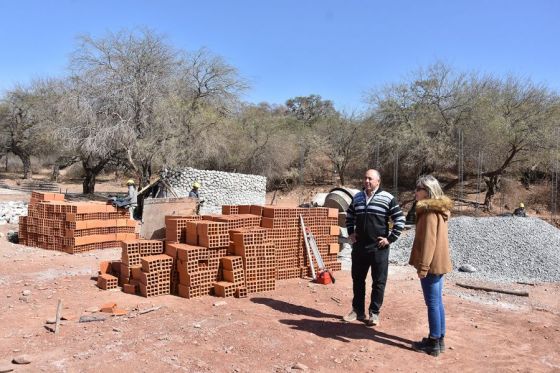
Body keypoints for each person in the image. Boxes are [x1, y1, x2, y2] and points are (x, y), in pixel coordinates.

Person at [344, 169, 406, 326]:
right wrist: (351, 233)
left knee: (379, 282)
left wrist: (390, 239)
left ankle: (374, 313)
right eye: (365, 178)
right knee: (358, 280)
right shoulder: (357, 197)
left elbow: (400, 219)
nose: (366, 181)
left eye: (370, 179)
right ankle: (357, 310)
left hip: (378, 248)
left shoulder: (388, 198)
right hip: (359, 247)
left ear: (378, 181)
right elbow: (349, 216)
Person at [409, 175, 453, 357]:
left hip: (432, 264)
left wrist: (423, 267)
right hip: (439, 263)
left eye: (418, 188)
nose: (415, 192)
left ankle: (434, 342)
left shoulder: (428, 213)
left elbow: (429, 242)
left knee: (433, 303)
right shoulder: (438, 210)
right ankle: (439, 338)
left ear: (427, 191)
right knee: (437, 302)